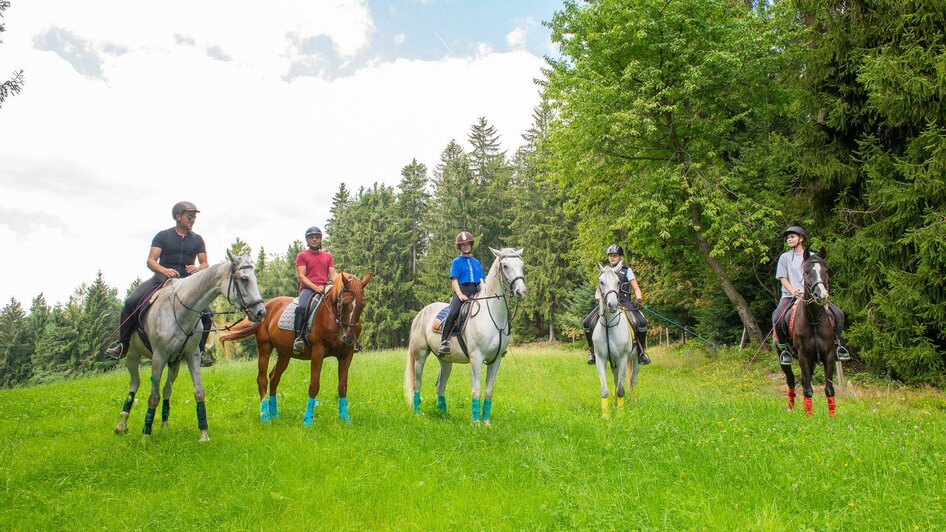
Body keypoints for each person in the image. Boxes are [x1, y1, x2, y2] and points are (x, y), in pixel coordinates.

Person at [106, 201, 215, 366]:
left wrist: (198, 268)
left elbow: (205, 263)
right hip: (161, 279)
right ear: (178, 217)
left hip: (186, 283)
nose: (193, 220)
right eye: (189, 217)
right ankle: (123, 344)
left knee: (208, 314)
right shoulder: (162, 236)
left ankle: (199, 353)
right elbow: (151, 261)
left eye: (194, 217)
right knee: (131, 302)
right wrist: (164, 271)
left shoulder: (198, 240)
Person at [773, 226, 851, 366]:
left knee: (838, 314)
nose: (789, 239)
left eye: (792, 236)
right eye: (788, 238)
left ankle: (837, 345)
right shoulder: (784, 258)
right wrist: (792, 290)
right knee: (777, 317)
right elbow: (782, 278)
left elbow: (821, 275)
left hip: (813, 295)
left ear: (801, 238)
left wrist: (823, 290)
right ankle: (784, 350)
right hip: (790, 296)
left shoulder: (814, 256)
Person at [582, 244, 651, 366]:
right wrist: (599, 300)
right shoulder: (604, 271)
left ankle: (641, 352)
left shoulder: (626, 270)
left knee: (641, 322)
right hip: (607, 304)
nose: (612, 258)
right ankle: (592, 352)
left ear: (620, 257)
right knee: (587, 322)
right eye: (610, 256)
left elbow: (636, 288)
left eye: (615, 255)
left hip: (624, 302)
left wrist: (639, 299)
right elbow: (598, 291)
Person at [293, 226, 337, 355]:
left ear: (320, 239)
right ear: (307, 240)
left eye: (317, 237)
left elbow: (333, 275)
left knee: (343, 304)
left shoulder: (327, 256)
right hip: (308, 289)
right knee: (302, 307)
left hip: (325, 288)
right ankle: (298, 337)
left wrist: (341, 283)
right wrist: (315, 287)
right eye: (312, 237)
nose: (314, 239)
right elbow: (301, 276)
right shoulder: (302, 255)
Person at [438, 231, 484, 355]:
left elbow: (481, 281)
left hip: (476, 292)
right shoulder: (456, 262)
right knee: (452, 313)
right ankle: (444, 342)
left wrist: (484, 292)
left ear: (471, 245)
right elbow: (454, 280)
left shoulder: (476, 262)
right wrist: (459, 294)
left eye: (467, 244)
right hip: (462, 291)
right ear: (459, 247)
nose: (465, 246)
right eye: (463, 245)